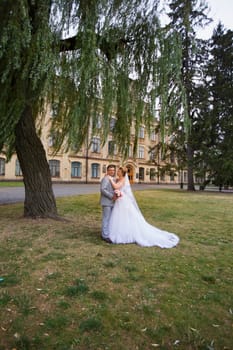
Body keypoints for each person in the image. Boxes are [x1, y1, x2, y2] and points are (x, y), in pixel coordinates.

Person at [107, 166, 179, 248]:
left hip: (123, 201)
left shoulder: (123, 179)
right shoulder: (118, 179)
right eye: (118, 171)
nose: (117, 172)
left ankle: (125, 234)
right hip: (119, 200)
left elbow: (116, 187)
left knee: (125, 217)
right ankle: (121, 231)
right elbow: (116, 184)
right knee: (120, 217)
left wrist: (110, 179)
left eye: (119, 171)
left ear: (122, 173)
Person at [100, 164, 117, 243]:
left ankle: (106, 232)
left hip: (112, 202)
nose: (112, 171)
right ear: (107, 171)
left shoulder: (113, 178)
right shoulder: (106, 179)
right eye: (110, 170)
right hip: (106, 201)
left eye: (113, 170)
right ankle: (105, 236)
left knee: (110, 218)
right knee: (106, 218)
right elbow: (103, 189)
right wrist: (111, 196)